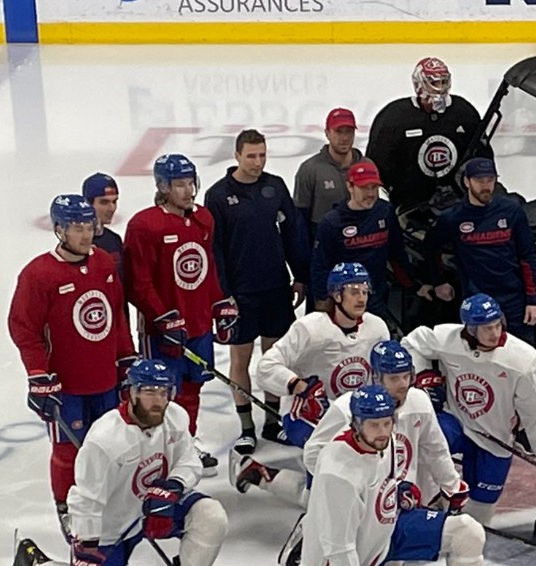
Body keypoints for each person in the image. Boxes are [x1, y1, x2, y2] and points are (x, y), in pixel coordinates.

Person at [242, 386, 515, 566]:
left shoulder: (387, 440)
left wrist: (399, 492)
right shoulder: (337, 473)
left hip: (385, 530)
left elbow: (386, 478)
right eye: (374, 425)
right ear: (355, 424)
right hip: (342, 559)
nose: (383, 431)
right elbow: (338, 544)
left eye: (387, 423)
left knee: (467, 533)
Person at [11, 359, 230, 566]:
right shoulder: (104, 439)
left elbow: (189, 460)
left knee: (211, 516)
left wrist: (174, 485)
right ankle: (35, 561)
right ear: (132, 393)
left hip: (155, 511)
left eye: (164, 392)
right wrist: (87, 550)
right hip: (112, 526)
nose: (159, 400)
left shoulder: (176, 417)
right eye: (150, 392)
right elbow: (85, 500)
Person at [273, 341, 464, 566]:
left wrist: (450, 485)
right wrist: (336, 491)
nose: (402, 385)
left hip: (390, 495)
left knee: (389, 533)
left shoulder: (419, 402)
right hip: (351, 500)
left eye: (406, 376)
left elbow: (435, 449)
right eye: (393, 378)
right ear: (376, 376)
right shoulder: (346, 409)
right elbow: (314, 454)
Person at [8, 194, 136, 537]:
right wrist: (37, 374)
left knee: (111, 446)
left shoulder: (104, 264)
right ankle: (66, 507)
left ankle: (109, 500)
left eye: (89, 226)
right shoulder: (38, 274)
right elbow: (24, 328)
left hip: (105, 380)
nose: (86, 234)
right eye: (77, 227)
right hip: (66, 386)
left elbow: (116, 316)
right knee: (67, 452)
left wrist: (126, 358)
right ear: (60, 230)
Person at [400, 293, 536, 525]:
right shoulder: (448, 339)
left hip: (495, 439)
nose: (495, 333)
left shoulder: (523, 359)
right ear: (469, 329)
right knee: (421, 440)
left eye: (497, 325)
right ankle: (427, 504)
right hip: (456, 423)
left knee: (481, 510)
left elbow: (535, 416)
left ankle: (466, 528)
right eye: (486, 328)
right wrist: (423, 375)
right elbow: (412, 343)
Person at [231, 263, 389, 499]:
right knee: (329, 481)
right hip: (305, 415)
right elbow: (267, 367)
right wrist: (297, 385)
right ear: (336, 295)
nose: (361, 298)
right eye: (354, 291)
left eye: (365, 291)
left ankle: (256, 472)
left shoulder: (376, 327)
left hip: (356, 413)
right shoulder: (310, 328)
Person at [124, 153, 234, 476]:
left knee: (192, 388)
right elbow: (137, 283)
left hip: (198, 325)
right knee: (158, 390)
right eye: (179, 184)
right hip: (163, 331)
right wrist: (161, 317)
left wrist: (219, 304)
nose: (187, 191)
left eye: (190, 183)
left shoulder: (204, 220)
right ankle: (156, 452)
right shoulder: (145, 225)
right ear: (162, 186)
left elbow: (207, 269)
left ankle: (185, 441)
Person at [204, 128, 310, 448]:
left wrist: (300, 275)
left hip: (276, 287)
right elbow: (215, 249)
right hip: (241, 293)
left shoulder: (275, 186)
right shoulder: (218, 195)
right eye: (251, 156)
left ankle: (272, 421)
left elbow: (292, 233)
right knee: (241, 360)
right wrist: (223, 295)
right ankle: (247, 427)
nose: (258, 162)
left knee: (274, 358)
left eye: (262, 155)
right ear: (237, 155)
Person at [421, 158, 536, 344]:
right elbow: (430, 248)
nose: (486, 186)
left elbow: (528, 256)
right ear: (467, 182)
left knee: (522, 356)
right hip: (476, 300)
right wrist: (438, 281)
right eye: (480, 181)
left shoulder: (511, 211)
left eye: (490, 180)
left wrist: (532, 300)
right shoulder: (452, 217)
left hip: (513, 299)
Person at [366, 57, 487, 213]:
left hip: (458, 205)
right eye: (435, 83)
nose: (440, 88)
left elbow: (482, 155)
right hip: (408, 208)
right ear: (418, 85)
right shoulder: (393, 117)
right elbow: (376, 165)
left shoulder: (464, 112)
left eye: (443, 82)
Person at [309, 158, 428, 318]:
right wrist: (323, 300)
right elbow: (320, 266)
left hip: (377, 295)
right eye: (364, 188)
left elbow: (397, 252)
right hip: (345, 302)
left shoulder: (385, 211)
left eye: (374, 187)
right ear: (350, 186)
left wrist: (414, 284)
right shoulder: (332, 222)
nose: (371, 194)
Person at [294, 107, 363, 245]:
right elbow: (300, 218)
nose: (344, 138)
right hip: (325, 248)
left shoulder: (366, 166)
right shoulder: (310, 169)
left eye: (349, 132)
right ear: (327, 133)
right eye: (338, 131)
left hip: (362, 246)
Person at [82, 172, 124, 275]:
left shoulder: (114, 239)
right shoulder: (76, 243)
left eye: (114, 202)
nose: (112, 208)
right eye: (104, 202)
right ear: (87, 203)